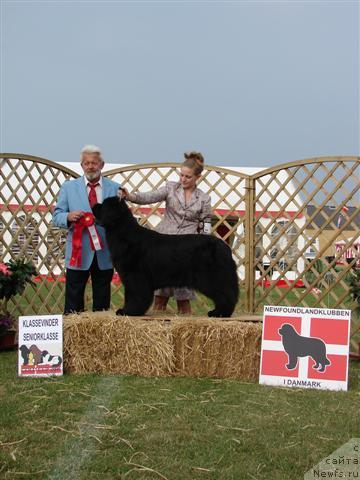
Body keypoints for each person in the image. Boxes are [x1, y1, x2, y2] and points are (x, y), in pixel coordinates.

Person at [120, 151, 212, 314]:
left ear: (198, 177)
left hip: (185, 251)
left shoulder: (204, 198)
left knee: (183, 300)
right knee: (160, 297)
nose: (183, 179)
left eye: (188, 177)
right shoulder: (170, 188)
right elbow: (149, 197)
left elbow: (206, 224)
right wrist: (131, 196)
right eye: (181, 175)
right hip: (162, 248)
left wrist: (202, 247)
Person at [53, 145, 120, 314]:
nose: (90, 166)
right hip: (78, 252)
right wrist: (68, 217)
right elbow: (56, 216)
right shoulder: (68, 187)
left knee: (102, 303)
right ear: (81, 165)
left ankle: (101, 338)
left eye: (94, 163)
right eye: (87, 163)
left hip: (104, 252)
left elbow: (121, 219)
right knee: (73, 303)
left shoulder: (115, 188)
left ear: (102, 165)